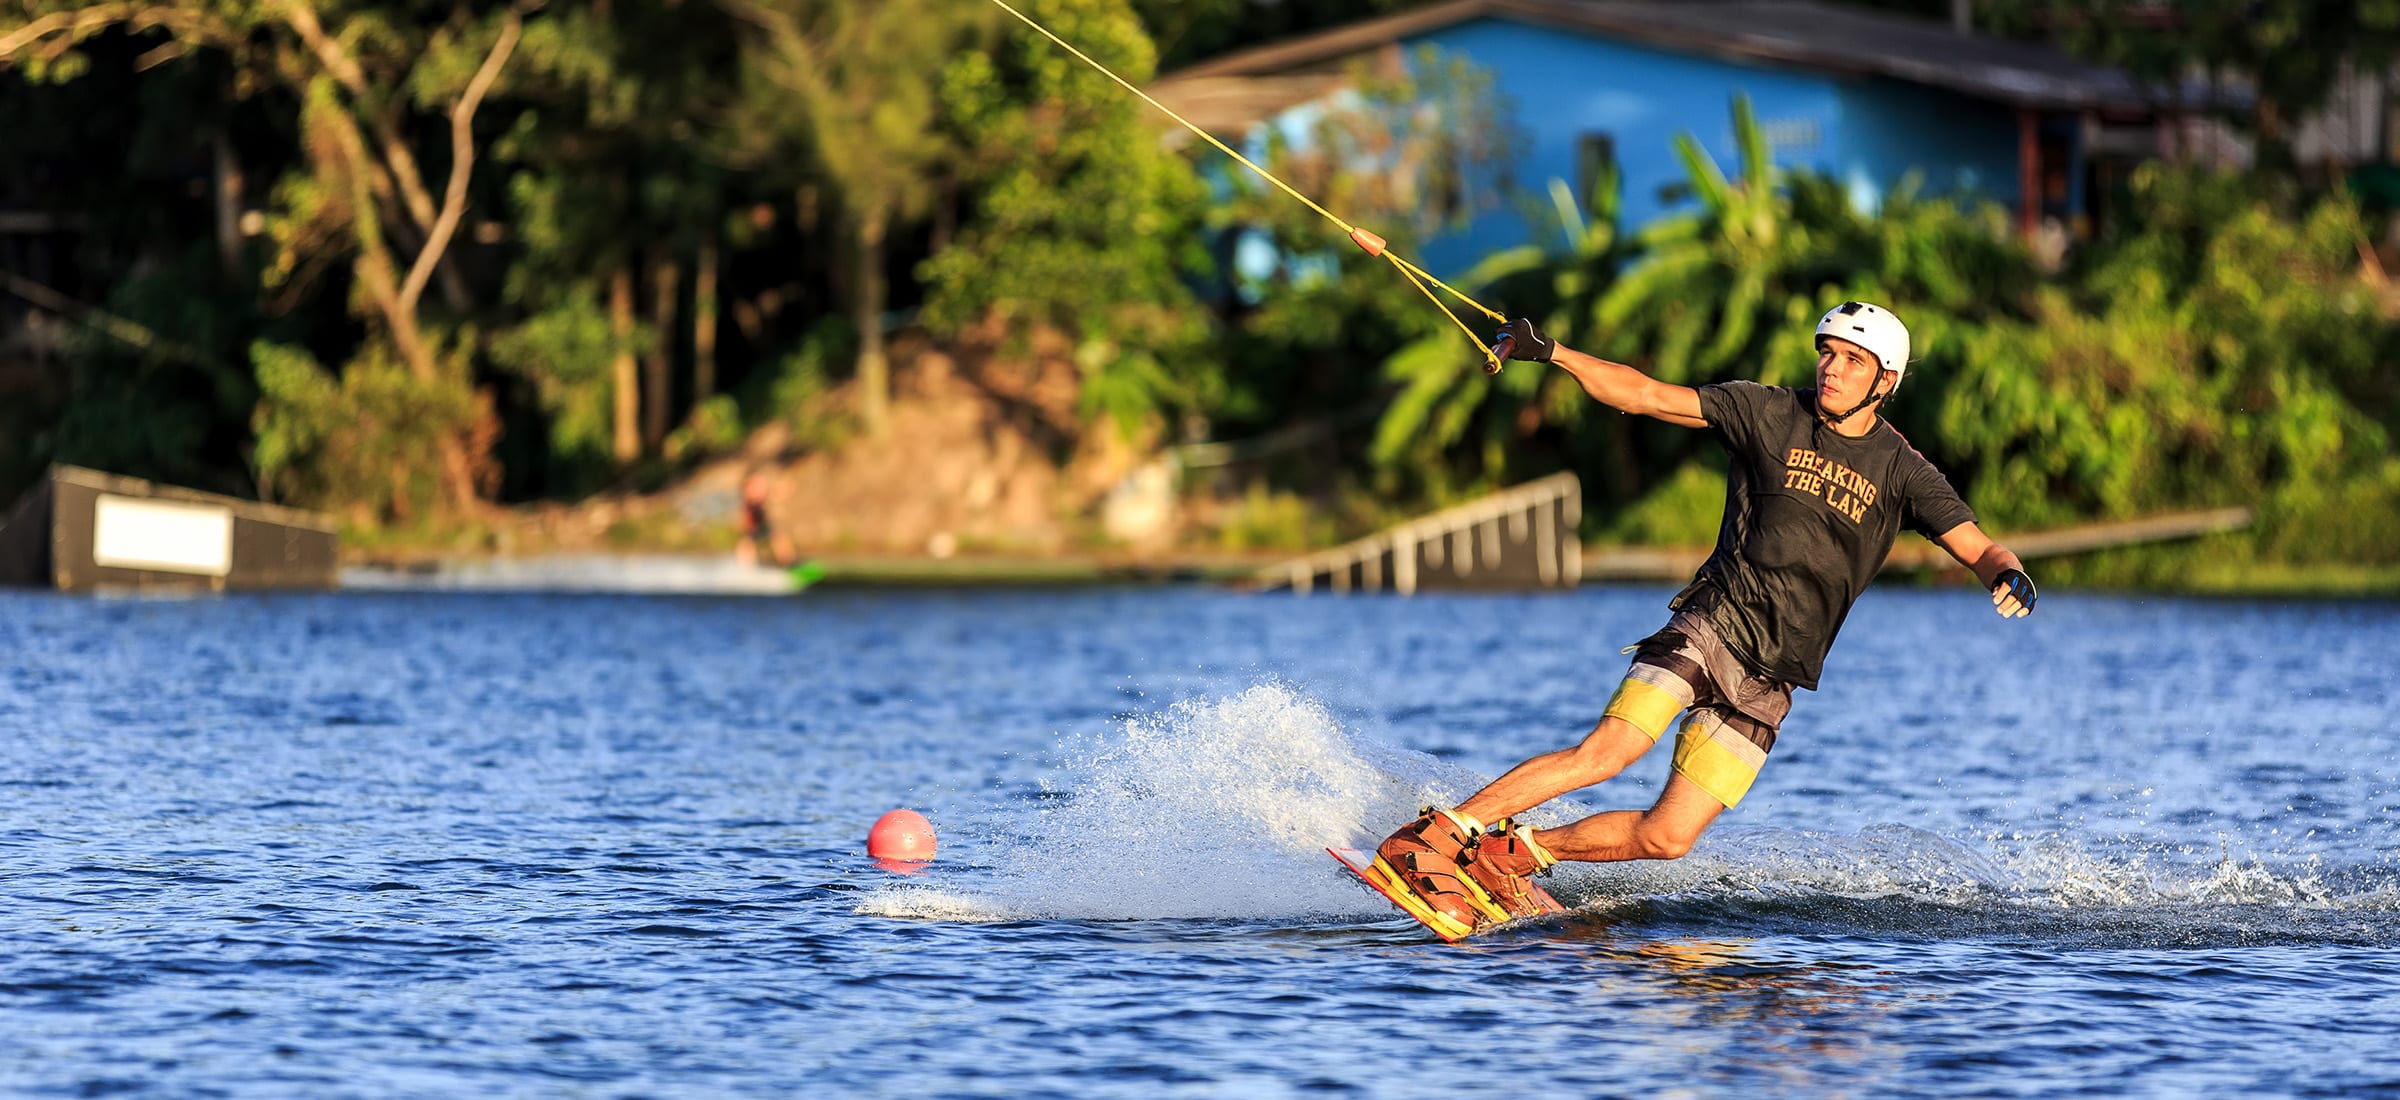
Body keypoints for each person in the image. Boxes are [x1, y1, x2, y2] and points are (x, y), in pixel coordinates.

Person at [1373, 301, 2040, 929]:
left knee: (1668, 837)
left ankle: (1514, 854)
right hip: (1713, 623)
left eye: (1852, 361)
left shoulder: (1903, 470)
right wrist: (1554, 354)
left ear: (1884, 380)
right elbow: (1645, 395)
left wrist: (2006, 573)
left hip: (1774, 675)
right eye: (1827, 354)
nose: (1832, 370)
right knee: (1610, 751)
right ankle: (1441, 834)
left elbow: (1978, 546)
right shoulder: (1768, 412)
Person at [735, 469, 795, 568]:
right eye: (759, 484)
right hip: (751, 525)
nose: (763, 487)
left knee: (779, 537)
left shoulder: (760, 495)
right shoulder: (749, 497)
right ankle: (745, 567)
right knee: (747, 543)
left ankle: (788, 563)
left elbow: (776, 495)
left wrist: (785, 489)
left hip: (763, 523)